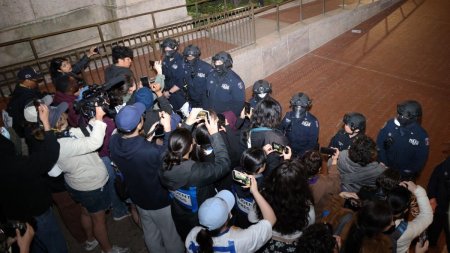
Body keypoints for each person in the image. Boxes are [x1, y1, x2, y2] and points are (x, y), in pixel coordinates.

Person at [109, 102, 184, 253]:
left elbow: (134, 147)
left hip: (139, 198)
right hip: (159, 200)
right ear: (139, 125)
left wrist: (148, 138)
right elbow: (167, 156)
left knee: (150, 234)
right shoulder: (150, 152)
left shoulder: (114, 142)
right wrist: (168, 129)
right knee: (170, 235)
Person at [54, 106, 128, 253]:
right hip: (90, 186)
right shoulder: (62, 144)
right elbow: (95, 142)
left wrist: (95, 118)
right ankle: (107, 249)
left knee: (85, 211)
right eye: (60, 113)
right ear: (59, 121)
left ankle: (90, 240)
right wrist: (100, 119)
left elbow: (85, 131)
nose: (65, 113)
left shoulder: (61, 136)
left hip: (77, 184)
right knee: (98, 220)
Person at [0, 104, 68, 253]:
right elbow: (48, 155)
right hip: (35, 209)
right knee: (53, 241)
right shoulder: (12, 164)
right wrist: (47, 124)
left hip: (14, 214)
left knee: (33, 243)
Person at [159, 109, 231, 240]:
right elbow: (224, 164)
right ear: (191, 147)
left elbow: (170, 147)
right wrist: (215, 134)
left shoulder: (163, 161)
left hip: (180, 214)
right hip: (200, 220)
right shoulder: (196, 172)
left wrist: (188, 122)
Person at [185, 183, 276, 253]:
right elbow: (271, 220)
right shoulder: (240, 241)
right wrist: (255, 192)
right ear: (230, 215)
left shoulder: (192, 235)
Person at [254, 160, 315, 252]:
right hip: (292, 243)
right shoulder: (307, 207)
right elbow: (308, 227)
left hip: (265, 239)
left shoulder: (262, 197)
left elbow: (252, 218)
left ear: (273, 180)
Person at [376, 100, 429, 179]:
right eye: (399, 114)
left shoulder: (421, 136)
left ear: (414, 118)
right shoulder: (390, 124)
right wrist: (383, 163)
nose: (399, 117)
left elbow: (420, 160)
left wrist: (402, 173)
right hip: (384, 168)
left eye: (403, 116)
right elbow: (379, 144)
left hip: (402, 175)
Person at [6, 67, 47, 154]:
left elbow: (37, 95)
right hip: (28, 129)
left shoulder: (23, 87)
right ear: (27, 81)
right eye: (35, 79)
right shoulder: (25, 97)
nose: (37, 81)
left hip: (24, 126)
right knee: (38, 150)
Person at [387, 181, 433, 253]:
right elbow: (427, 216)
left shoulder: (372, 214)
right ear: (405, 210)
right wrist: (417, 190)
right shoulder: (405, 231)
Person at [231, 147, 267, 228]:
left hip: (239, 210)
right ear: (259, 168)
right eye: (264, 163)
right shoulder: (261, 183)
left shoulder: (236, 172)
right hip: (251, 214)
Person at [205, 51, 245, 117]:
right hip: (212, 113)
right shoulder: (210, 75)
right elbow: (206, 94)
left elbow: (239, 103)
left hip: (225, 117)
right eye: (216, 62)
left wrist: (230, 118)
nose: (217, 65)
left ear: (227, 64)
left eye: (220, 62)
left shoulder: (235, 81)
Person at [302, 149, 341, 216]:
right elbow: (336, 186)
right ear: (320, 169)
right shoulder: (326, 183)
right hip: (317, 213)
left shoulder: (293, 178)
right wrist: (334, 160)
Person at [280, 92, 319, 157]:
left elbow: (312, 143)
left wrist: (300, 156)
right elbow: (280, 131)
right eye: (296, 106)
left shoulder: (313, 121)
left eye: (301, 107)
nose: (298, 109)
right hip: (288, 149)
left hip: (302, 154)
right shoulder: (287, 116)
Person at [427, 156, 450, 249]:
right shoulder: (442, 167)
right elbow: (432, 183)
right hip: (440, 204)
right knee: (435, 227)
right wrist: (432, 198)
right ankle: (430, 243)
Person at [161, 38, 186, 111]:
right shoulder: (166, 59)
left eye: (169, 51)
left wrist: (169, 92)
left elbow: (180, 82)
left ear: (175, 48)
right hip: (167, 92)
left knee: (182, 111)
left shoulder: (181, 61)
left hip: (178, 94)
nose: (167, 52)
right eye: (165, 51)